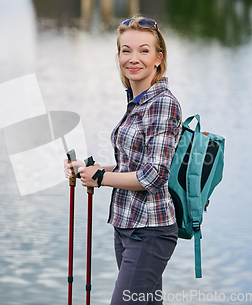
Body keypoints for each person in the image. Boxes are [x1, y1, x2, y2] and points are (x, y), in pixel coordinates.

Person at [64, 16, 182, 305]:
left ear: (158, 58)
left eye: (144, 50)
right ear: (118, 56)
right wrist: (91, 170)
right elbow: (133, 167)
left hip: (149, 231)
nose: (133, 58)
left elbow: (154, 176)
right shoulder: (136, 102)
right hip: (127, 227)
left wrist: (101, 180)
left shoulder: (162, 103)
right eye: (125, 50)